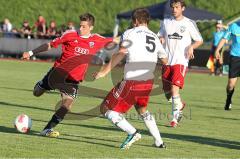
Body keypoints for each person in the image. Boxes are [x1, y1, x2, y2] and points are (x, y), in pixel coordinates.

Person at [22, 13, 113, 137]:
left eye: (84, 27)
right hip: (58, 73)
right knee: (37, 92)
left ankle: (47, 129)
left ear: (91, 28)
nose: (80, 29)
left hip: (73, 80)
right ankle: (42, 85)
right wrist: (31, 52)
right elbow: (50, 45)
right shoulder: (70, 35)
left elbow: (117, 39)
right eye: (80, 26)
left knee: (67, 106)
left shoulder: (97, 39)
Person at [94, 8, 168, 149]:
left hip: (133, 80)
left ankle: (132, 133)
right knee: (142, 109)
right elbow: (165, 60)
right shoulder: (154, 37)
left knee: (106, 108)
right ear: (147, 21)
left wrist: (104, 71)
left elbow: (121, 53)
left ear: (135, 21)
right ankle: (159, 141)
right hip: (148, 81)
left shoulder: (130, 33)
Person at [157, 0, 203, 127]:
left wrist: (191, 47)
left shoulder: (188, 23)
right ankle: (180, 105)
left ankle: (174, 119)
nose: (174, 9)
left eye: (177, 7)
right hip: (167, 61)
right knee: (168, 94)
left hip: (181, 61)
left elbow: (199, 40)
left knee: (174, 89)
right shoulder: (166, 21)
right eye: (172, 7)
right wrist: (160, 38)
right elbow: (159, 35)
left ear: (183, 8)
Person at [215, 21, 240, 110]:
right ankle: (228, 100)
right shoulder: (233, 26)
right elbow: (224, 38)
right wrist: (217, 50)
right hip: (235, 58)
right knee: (231, 85)